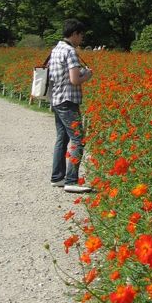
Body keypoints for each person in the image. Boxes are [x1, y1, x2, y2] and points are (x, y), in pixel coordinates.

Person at [49, 19, 94, 194]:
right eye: (81, 35)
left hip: (57, 99)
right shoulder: (70, 52)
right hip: (68, 100)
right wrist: (87, 75)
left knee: (62, 138)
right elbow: (75, 80)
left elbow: (63, 76)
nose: (82, 38)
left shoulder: (56, 50)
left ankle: (57, 177)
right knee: (78, 139)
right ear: (74, 34)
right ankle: (71, 180)